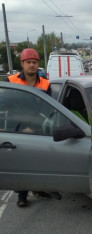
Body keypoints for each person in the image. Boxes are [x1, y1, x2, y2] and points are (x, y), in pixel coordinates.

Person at [5, 48, 58, 207]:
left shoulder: (45, 83)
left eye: (34, 62)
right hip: (16, 127)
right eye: (28, 62)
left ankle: (39, 188)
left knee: (38, 161)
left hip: (37, 127)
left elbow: (46, 108)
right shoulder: (10, 80)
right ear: (22, 64)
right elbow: (6, 104)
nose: (32, 65)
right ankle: (22, 195)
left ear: (38, 65)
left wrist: (34, 127)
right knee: (20, 163)